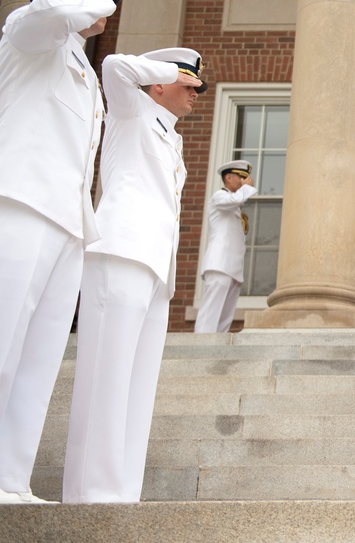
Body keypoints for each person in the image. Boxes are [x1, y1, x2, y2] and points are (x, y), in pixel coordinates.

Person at [0, 0, 119, 505]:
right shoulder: (31, 32)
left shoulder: (79, 64)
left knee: (38, 358)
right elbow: (43, 15)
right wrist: (74, 0)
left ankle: (9, 481)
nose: (105, 5)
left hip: (67, 220)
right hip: (19, 203)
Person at [62, 48, 205, 503]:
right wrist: (170, 69)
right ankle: (91, 495)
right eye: (189, 84)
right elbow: (115, 67)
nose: (196, 94)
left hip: (154, 265)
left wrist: (180, 77)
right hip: (121, 254)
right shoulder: (131, 109)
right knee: (106, 377)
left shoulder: (169, 132)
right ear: (160, 82)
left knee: (137, 385)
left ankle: (122, 492)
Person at [194, 160, 258, 334]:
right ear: (228, 177)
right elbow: (235, 199)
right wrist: (246, 188)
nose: (245, 180)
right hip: (219, 264)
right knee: (211, 313)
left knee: (224, 318)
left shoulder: (235, 206)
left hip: (233, 268)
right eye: (241, 177)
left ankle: (215, 350)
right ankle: (201, 348)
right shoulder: (220, 196)